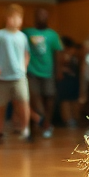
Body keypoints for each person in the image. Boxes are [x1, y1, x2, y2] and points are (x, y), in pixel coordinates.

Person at [0, 5, 30, 144]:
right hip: (1, 78)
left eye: (19, 17)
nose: (16, 20)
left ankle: (25, 130)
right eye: (13, 17)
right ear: (7, 18)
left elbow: (26, 54)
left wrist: (23, 67)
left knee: (23, 103)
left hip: (19, 77)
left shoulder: (22, 36)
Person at [25, 7, 62, 139]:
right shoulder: (27, 32)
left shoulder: (52, 34)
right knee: (35, 97)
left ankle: (46, 123)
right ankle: (41, 122)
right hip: (32, 71)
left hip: (48, 72)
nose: (42, 17)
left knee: (49, 98)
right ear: (35, 17)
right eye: (40, 15)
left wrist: (58, 71)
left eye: (45, 15)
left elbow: (57, 53)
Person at [56, 37, 81, 127]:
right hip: (64, 79)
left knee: (74, 99)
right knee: (65, 100)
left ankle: (75, 118)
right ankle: (68, 119)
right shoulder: (60, 54)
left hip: (73, 79)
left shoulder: (75, 54)